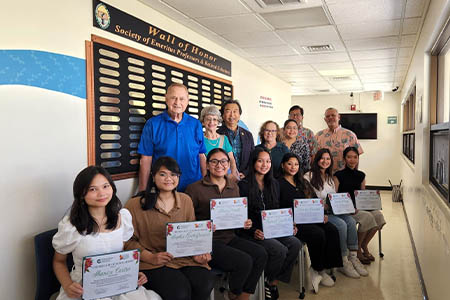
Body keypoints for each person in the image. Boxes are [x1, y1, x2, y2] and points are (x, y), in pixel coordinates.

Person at [52, 166, 161, 300]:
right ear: (81, 194)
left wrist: (132, 272)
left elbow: (121, 254)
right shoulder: (72, 226)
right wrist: (68, 285)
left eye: (105, 186)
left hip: (118, 285)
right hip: (84, 287)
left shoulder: (122, 217)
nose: (101, 193)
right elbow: (59, 261)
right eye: (93, 189)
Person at [124, 157, 215, 300]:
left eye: (173, 174)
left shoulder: (185, 200)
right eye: (162, 174)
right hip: (152, 263)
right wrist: (151, 257)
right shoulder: (134, 205)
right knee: (179, 292)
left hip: (185, 258)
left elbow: (191, 234)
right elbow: (126, 242)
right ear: (153, 176)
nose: (169, 179)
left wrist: (199, 252)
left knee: (205, 282)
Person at [185, 148, 267, 300]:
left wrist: (245, 222)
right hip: (208, 242)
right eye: (214, 161)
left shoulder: (233, 186)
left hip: (230, 237)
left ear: (229, 164)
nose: (219, 165)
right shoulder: (194, 189)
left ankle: (244, 295)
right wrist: (205, 226)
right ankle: (233, 293)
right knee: (245, 261)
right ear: (207, 165)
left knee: (261, 254)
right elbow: (187, 221)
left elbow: (235, 215)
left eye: (223, 161)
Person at [239, 148, 301, 300]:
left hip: (273, 228)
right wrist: (253, 230)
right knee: (278, 249)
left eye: (268, 161)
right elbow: (241, 217)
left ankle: (272, 281)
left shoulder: (274, 184)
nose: (264, 165)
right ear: (253, 162)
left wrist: (288, 224)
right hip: (254, 232)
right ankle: (265, 279)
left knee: (295, 243)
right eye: (260, 161)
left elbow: (278, 209)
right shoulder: (243, 185)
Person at [277, 153, 342, 293]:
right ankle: (315, 269)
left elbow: (313, 200)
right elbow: (276, 206)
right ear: (282, 165)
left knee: (331, 229)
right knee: (317, 234)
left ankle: (324, 268)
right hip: (292, 222)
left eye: (296, 164)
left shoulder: (302, 181)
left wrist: (322, 214)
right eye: (289, 163)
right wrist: (287, 221)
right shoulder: (278, 183)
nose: (293, 167)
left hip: (309, 217)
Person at [304, 148, 368, 278]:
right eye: (322, 158)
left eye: (328, 159)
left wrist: (348, 207)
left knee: (350, 221)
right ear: (317, 160)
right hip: (320, 213)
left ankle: (353, 257)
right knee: (341, 225)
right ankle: (343, 260)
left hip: (333, 210)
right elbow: (307, 199)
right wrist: (323, 206)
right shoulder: (308, 176)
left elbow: (336, 197)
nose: (325, 161)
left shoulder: (330, 177)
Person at [137, 83, 206, 192]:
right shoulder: (152, 124)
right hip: (164, 187)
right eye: (173, 98)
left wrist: (206, 182)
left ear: (187, 101)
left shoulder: (196, 124)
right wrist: (142, 191)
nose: (177, 102)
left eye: (182, 99)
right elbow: (145, 159)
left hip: (193, 186)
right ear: (166, 99)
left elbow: (201, 155)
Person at [334, 147, 386, 264]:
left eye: (355, 157)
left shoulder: (361, 175)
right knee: (367, 217)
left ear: (358, 159)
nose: (352, 160)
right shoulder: (338, 175)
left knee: (378, 216)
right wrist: (350, 208)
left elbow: (362, 195)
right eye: (349, 157)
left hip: (359, 207)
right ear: (344, 159)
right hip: (346, 208)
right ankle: (357, 249)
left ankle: (364, 244)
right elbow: (335, 196)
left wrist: (372, 202)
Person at [316, 107, 363, 173]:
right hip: (325, 175)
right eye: (328, 116)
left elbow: (356, 157)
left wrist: (355, 174)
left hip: (344, 176)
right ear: (325, 119)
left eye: (333, 115)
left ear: (339, 117)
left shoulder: (350, 135)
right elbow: (315, 157)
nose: (330, 117)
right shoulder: (319, 135)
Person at [200, 105, 240, 180]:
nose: (211, 122)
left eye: (215, 119)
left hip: (224, 178)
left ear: (218, 122)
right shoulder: (200, 140)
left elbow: (231, 159)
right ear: (203, 122)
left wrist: (233, 174)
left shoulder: (224, 138)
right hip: (207, 178)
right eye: (208, 119)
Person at [217, 99, 255, 178]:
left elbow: (253, 157)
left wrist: (245, 173)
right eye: (228, 111)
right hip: (224, 177)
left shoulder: (248, 135)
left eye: (235, 111)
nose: (232, 115)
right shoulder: (217, 134)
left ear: (239, 115)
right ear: (223, 115)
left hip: (245, 178)